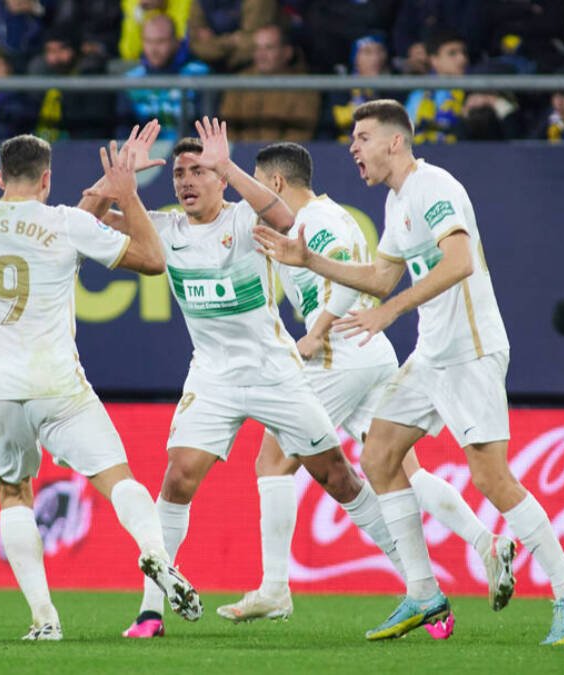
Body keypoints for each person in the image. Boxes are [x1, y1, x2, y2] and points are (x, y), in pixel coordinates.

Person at [253, 99, 564, 646]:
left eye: (362, 138)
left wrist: (390, 313)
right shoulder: (398, 201)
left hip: (470, 351)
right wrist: (310, 262)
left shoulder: (435, 186)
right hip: (433, 353)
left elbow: (459, 261)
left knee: (491, 477)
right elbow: (381, 275)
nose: (353, 150)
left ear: (395, 141)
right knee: (381, 455)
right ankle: (422, 591)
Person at [79, 118, 404, 640]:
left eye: (198, 171)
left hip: (275, 373)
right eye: (179, 173)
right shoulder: (162, 228)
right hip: (212, 377)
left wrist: (227, 161)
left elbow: (284, 215)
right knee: (178, 476)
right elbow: (81, 225)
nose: (186, 180)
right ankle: (149, 611)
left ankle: (419, 586)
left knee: (337, 477)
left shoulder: (247, 221)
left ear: (221, 180)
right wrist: (116, 181)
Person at [0, 128, 200, 640]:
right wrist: (124, 191)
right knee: (118, 478)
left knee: (14, 495)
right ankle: (153, 552)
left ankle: (44, 619)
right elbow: (153, 260)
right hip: (57, 384)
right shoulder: (64, 224)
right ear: (47, 179)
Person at [215, 142, 515, 631]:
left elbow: (357, 282)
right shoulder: (328, 215)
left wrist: (317, 329)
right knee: (401, 470)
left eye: (256, 182)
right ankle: (485, 544)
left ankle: (274, 588)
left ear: (274, 184)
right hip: (368, 355)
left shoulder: (317, 221)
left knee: (271, 460)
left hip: (339, 350)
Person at [217, 23, 320, 142]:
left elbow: (299, 136)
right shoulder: (239, 83)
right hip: (239, 157)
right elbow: (228, 129)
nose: (261, 55)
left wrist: (272, 158)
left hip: (282, 158)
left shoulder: (303, 88)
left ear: (287, 52)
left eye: (269, 48)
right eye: (257, 48)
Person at [116, 14, 209, 142]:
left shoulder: (199, 74)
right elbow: (123, 131)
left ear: (175, 42)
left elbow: (207, 127)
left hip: (190, 153)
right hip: (144, 155)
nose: (154, 49)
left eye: (160, 41)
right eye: (148, 41)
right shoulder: (130, 81)